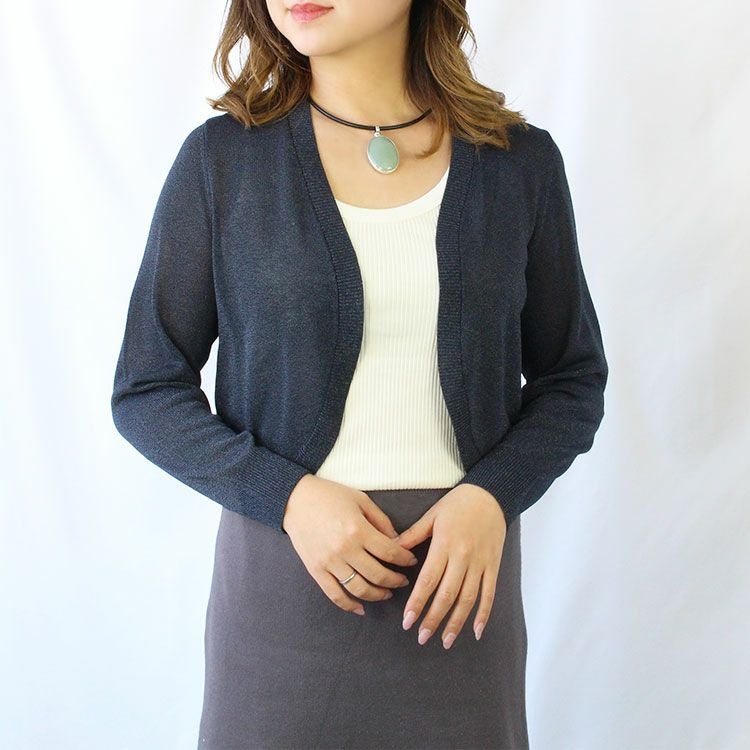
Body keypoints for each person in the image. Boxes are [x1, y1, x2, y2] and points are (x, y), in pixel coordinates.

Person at [111, 1, 609, 747]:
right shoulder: (223, 162)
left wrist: (492, 497)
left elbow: (572, 379)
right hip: (284, 592)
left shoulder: (517, 164)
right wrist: (288, 498)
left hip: (458, 596)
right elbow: (146, 389)